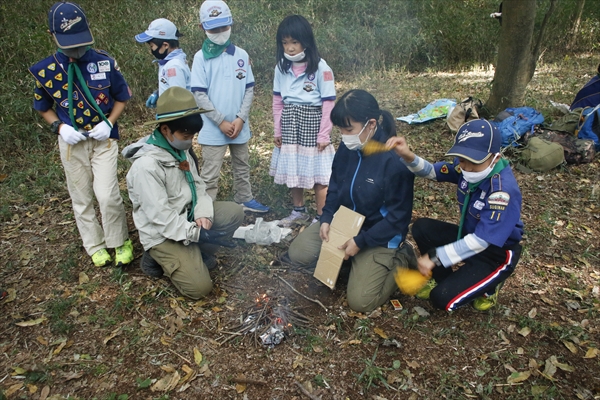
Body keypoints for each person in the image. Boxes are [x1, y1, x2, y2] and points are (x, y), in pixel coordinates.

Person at [287, 89, 416, 313]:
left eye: (349, 130)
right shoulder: (348, 148)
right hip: (346, 222)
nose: (344, 136)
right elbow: (335, 185)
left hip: (378, 234)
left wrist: (362, 241)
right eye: (340, 130)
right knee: (298, 253)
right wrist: (326, 217)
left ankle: (401, 258)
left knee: (360, 301)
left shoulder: (393, 161)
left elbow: (398, 218)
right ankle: (353, 262)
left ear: (371, 124)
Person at [29, 1, 133, 268]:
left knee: (107, 193)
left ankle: (119, 240)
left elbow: (122, 97)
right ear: (52, 36)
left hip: (103, 139)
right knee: (82, 196)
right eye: (69, 43)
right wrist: (60, 127)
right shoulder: (46, 71)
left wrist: (109, 122)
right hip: (72, 143)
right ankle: (95, 244)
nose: (76, 49)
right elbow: (43, 107)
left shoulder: (104, 62)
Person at [386, 119, 524, 311]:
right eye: (462, 158)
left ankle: (490, 286)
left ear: (495, 157)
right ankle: (447, 279)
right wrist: (408, 156)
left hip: (495, 253)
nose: (465, 166)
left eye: (473, 161)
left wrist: (435, 257)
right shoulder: (466, 169)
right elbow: (433, 172)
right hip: (468, 235)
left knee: (442, 299)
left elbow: (482, 241)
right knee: (422, 228)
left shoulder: (501, 192)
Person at [123, 87, 244, 299]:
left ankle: (197, 253)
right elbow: (161, 219)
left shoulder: (180, 149)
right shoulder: (146, 167)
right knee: (199, 289)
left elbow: (198, 186)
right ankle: (154, 257)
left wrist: (203, 214)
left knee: (234, 212)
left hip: (187, 218)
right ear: (165, 130)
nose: (190, 140)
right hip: (163, 233)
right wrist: (196, 233)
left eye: (193, 135)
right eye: (185, 134)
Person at [190, 0, 269, 213]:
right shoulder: (200, 58)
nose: (220, 32)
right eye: (213, 29)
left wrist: (240, 118)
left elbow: (249, 89)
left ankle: (245, 198)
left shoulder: (241, 56)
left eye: (223, 27)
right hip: (213, 127)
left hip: (239, 125)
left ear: (231, 24)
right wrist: (220, 121)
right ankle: (206, 210)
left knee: (242, 165)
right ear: (202, 28)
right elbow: (199, 94)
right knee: (210, 172)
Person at [269, 15, 336, 227]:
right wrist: (277, 130)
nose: (289, 48)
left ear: (305, 41)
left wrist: (324, 134)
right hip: (289, 122)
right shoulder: (281, 67)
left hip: (313, 123)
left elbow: (328, 103)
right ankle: (298, 211)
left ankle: (320, 217)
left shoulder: (321, 68)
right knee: (293, 169)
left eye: (294, 42)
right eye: (285, 43)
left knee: (320, 175)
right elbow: (278, 101)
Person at [135, 18, 191, 107]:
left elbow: (178, 100)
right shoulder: (169, 63)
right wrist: (158, 93)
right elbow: (172, 86)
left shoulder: (174, 66)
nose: (151, 50)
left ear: (165, 45)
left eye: (152, 46)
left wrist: (166, 115)